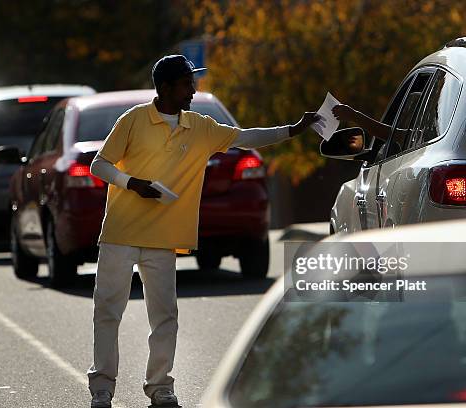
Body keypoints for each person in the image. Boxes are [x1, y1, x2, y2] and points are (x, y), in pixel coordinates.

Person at [86, 54, 321, 408]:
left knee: (165, 318)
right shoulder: (133, 120)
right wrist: (131, 183)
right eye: (186, 84)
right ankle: (102, 388)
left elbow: (245, 138)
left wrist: (292, 129)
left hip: (162, 240)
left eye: (192, 84)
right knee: (108, 312)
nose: (193, 90)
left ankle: (160, 386)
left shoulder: (200, 127)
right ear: (165, 88)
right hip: (120, 234)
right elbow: (99, 164)